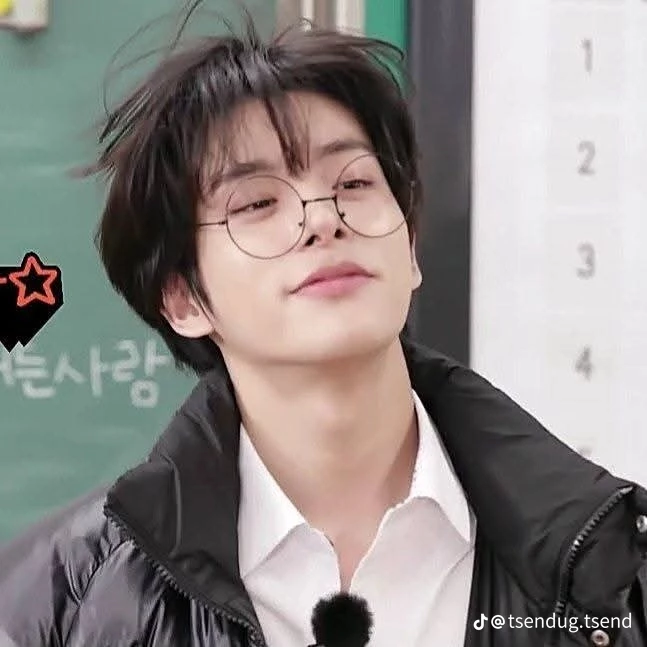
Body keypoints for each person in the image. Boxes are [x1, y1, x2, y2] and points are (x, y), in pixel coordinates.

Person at [1, 3, 646, 646]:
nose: (322, 220)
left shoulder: (616, 569)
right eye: (257, 202)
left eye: (354, 183)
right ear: (183, 300)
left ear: (410, 247)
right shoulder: (58, 604)